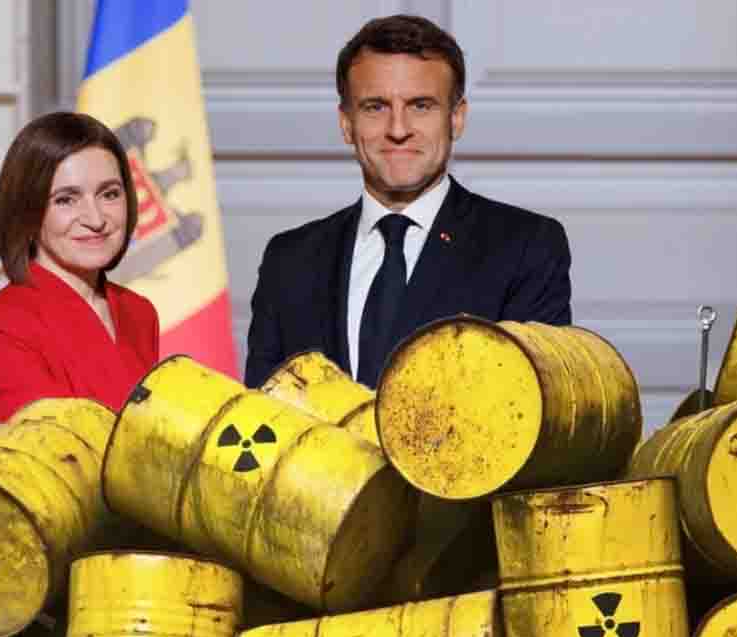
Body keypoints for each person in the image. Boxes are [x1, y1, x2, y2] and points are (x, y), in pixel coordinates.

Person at [245, 15, 572, 388]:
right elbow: (261, 413)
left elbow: (534, 406)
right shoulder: (289, 261)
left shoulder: (526, 248)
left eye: (420, 106)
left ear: (457, 118)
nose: (398, 129)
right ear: (346, 123)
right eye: (375, 107)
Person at [0, 112, 159, 440]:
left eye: (109, 194)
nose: (95, 219)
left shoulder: (138, 312)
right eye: (66, 200)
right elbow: (60, 449)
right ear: (27, 211)